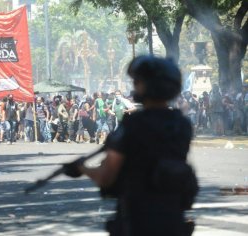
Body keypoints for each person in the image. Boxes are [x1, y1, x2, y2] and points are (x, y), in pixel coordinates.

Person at [64, 56, 198, 236]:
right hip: (173, 220)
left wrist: (81, 168)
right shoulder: (182, 125)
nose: (135, 85)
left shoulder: (132, 125)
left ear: (148, 86)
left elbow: (106, 177)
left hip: (137, 220)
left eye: (138, 81)